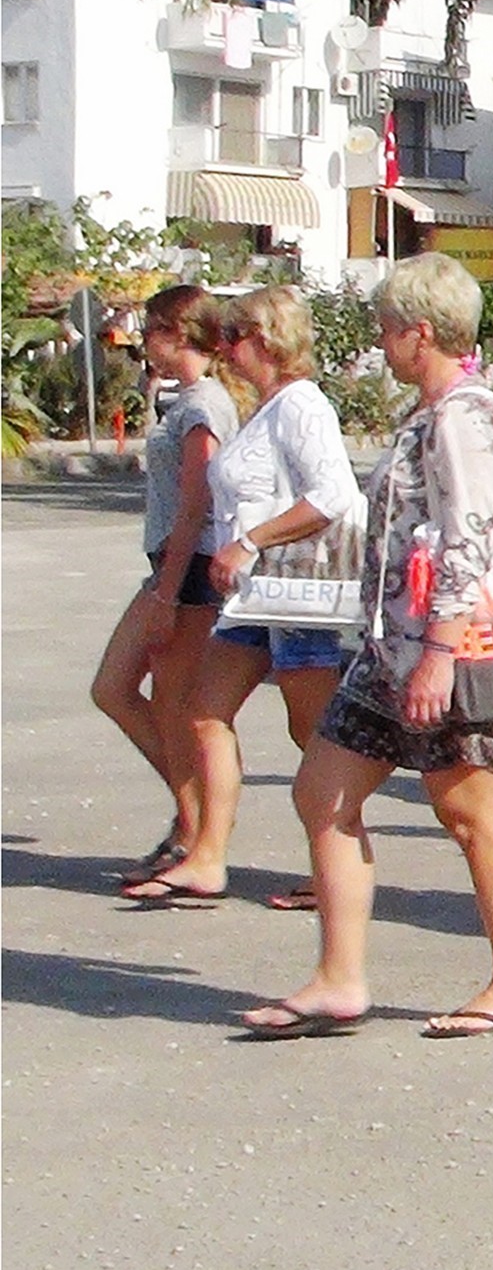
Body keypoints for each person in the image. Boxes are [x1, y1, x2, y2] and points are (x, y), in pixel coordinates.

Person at [239, 255, 493, 1039]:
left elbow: (468, 536)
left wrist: (440, 649)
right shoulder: (429, 410)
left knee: (469, 808)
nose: (379, 343)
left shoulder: (463, 416)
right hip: (390, 655)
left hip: (444, 653)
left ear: (420, 333)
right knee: (323, 791)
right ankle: (339, 977)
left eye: (385, 329)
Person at [130, 286, 366, 908]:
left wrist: (249, 541)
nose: (226, 348)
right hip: (259, 597)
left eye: (235, 336)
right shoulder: (267, 407)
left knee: (312, 730)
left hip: (298, 595)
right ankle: (207, 855)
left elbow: (333, 495)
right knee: (204, 712)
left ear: (265, 340)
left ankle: (339, 862)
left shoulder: (301, 406)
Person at [94, 284, 237, 884]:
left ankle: (195, 834)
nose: (145, 343)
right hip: (171, 567)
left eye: (152, 331)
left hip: (191, 570)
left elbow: (195, 506)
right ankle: (193, 818)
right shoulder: (185, 399)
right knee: (115, 687)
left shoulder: (204, 405)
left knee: (178, 706)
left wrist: (168, 590)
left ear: (179, 334)